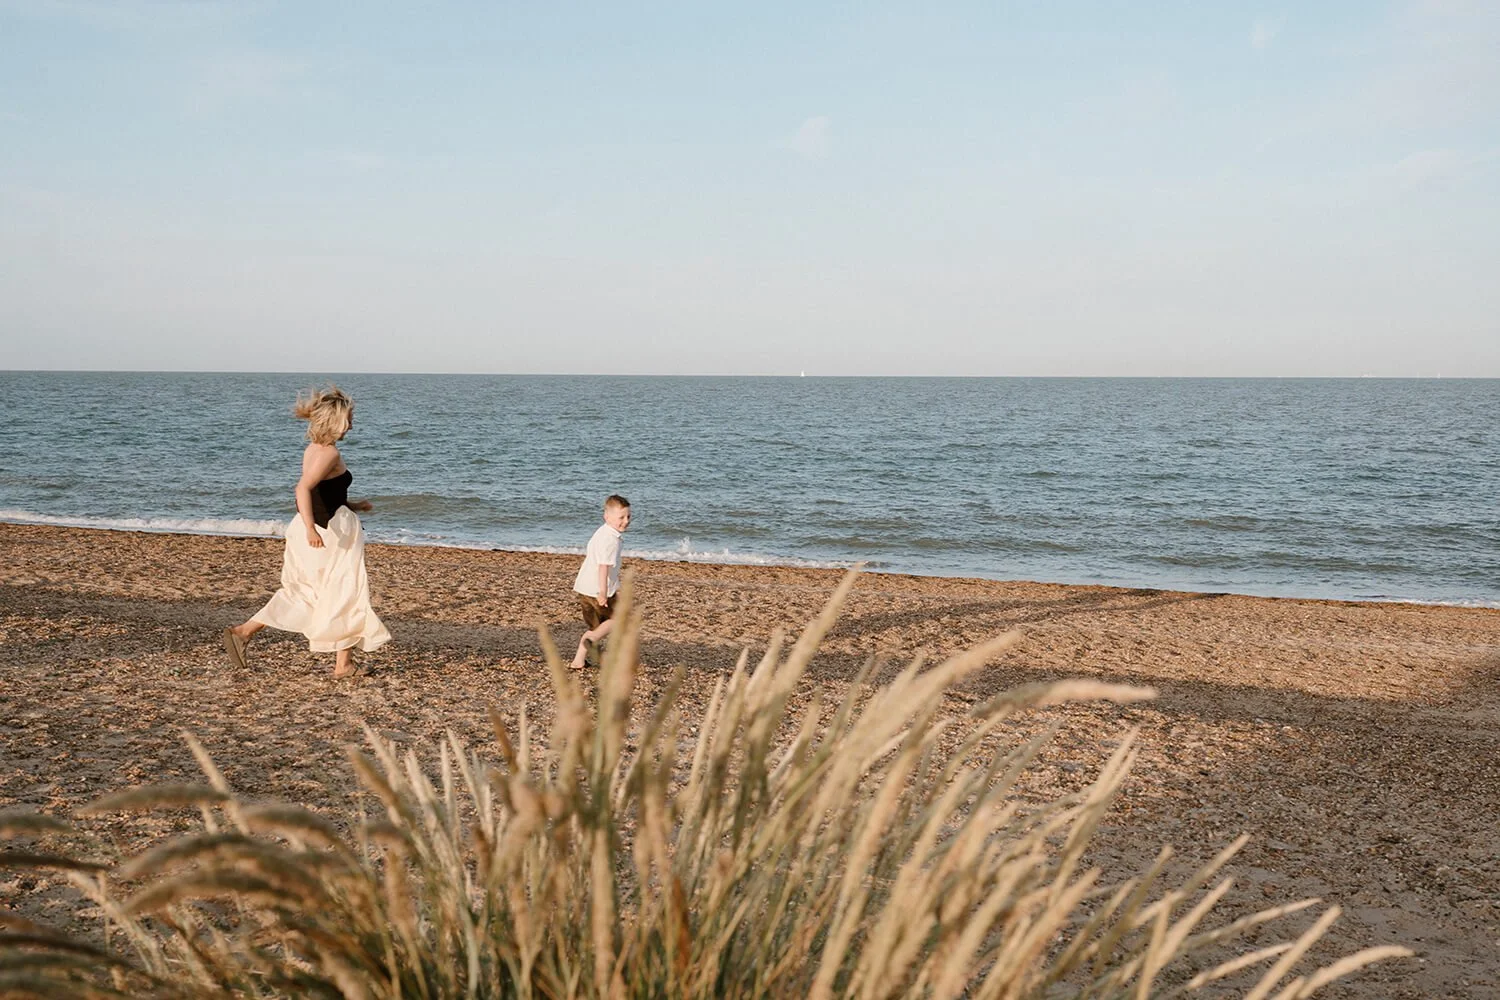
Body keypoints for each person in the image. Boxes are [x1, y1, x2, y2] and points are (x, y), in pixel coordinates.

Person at [222, 386, 391, 679]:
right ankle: (343, 665)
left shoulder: (313, 449)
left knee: (309, 592)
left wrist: (353, 504)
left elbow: (321, 493)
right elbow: (302, 488)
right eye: (349, 418)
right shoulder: (331, 454)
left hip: (309, 527)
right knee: (343, 591)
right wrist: (313, 529)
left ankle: (244, 631)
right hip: (327, 532)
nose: (352, 424)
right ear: (336, 420)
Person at [569, 494, 631, 670]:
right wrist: (603, 593)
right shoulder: (610, 539)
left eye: (628, 516)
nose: (626, 521)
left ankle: (581, 660)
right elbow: (603, 567)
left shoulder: (604, 531)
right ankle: (585, 652)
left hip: (587, 587)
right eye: (621, 517)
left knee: (600, 625)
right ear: (607, 516)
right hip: (598, 589)